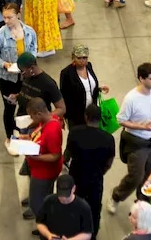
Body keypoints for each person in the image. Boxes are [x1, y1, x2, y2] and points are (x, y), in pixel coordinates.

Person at [107, 62, 151, 215]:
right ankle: (116, 196)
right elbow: (121, 120)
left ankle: (144, 204)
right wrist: (142, 127)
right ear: (141, 78)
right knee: (136, 176)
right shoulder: (131, 99)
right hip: (136, 143)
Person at [64, 102, 116, 238]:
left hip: (76, 177)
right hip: (95, 179)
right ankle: (91, 235)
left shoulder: (75, 132)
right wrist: (100, 172)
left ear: (86, 117)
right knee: (94, 208)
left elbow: (67, 155)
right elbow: (109, 162)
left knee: (73, 205)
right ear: (100, 119)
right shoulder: (108, 139)